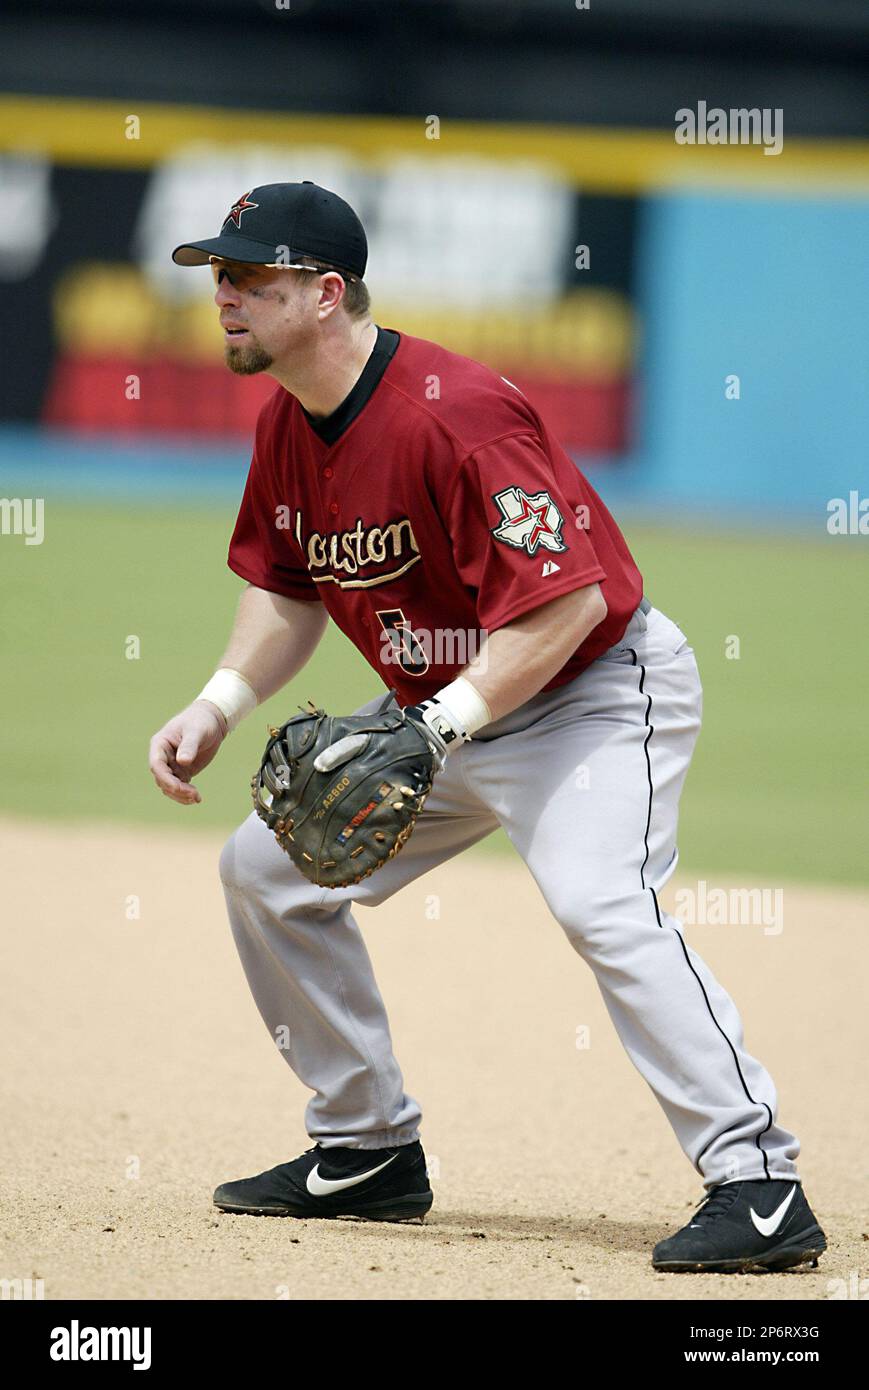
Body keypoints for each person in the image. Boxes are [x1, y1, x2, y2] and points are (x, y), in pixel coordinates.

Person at [149, 182, 826, 1273]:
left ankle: (756, 1184)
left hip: (591, 693)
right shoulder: (289, 421)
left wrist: (434, 729)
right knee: (264, 873)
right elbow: (288, 587)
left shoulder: (451, 412)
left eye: (247, 278)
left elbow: (566, 605)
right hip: (451, 712)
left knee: (601, 905)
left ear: (325, 295)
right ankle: (366, 1149)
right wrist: (219, 700)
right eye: (217, 277)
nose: (221, 296)